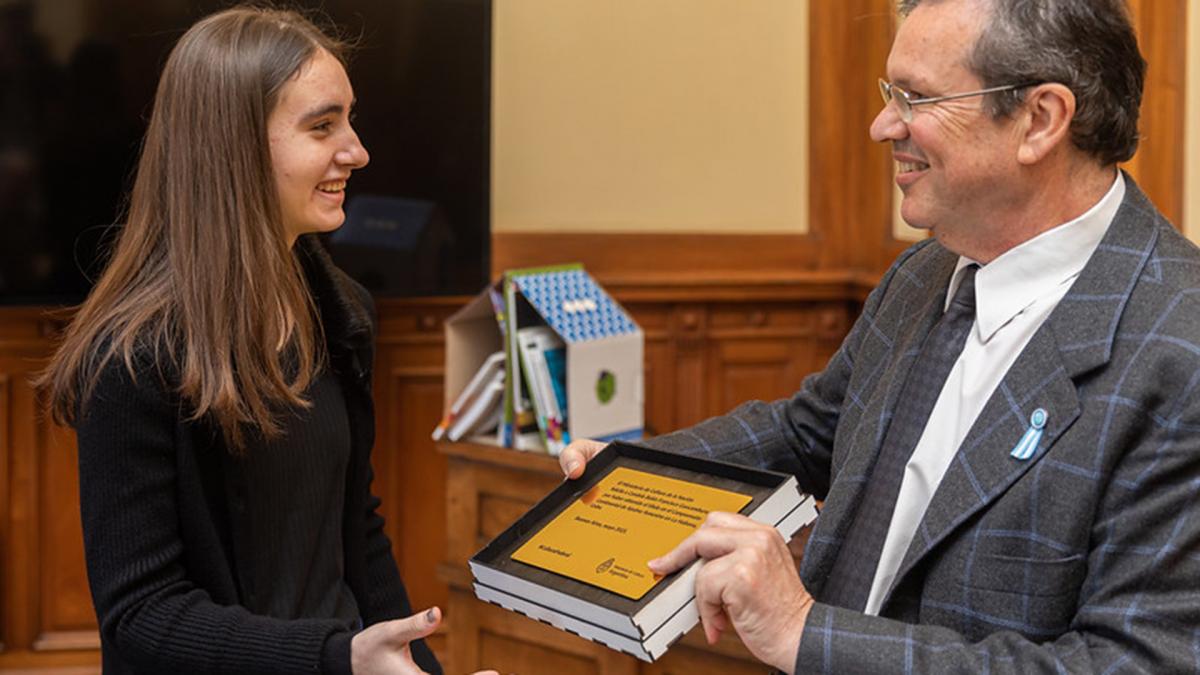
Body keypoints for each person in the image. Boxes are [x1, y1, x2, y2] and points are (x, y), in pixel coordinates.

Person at [562, 0, 1200, 672]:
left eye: (915, 97)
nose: (881, 125)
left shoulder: (1179, 346)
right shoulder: (925, 272)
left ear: (1040, 120)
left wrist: (805, 632)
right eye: (889, 93)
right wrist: (633, 472)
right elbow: (813, 433)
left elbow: (1133, 663)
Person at [37, 7, 491, 675]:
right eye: (321, 126)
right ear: (235, 145)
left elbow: (358, 538)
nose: (357, 151)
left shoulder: (345, 314)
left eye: (349, 119)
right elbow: (142, 613)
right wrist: (335, 658)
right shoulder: (131, 352)